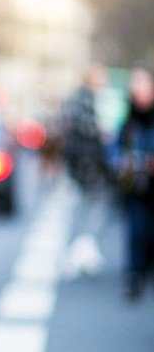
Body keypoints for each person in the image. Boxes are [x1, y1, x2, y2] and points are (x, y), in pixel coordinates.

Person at [60, 62, 112, 278]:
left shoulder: (77, 99)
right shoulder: (87, 100)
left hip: (80, 165)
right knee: (93, 208)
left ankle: (81, 249)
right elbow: (91, 132)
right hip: (89, 165)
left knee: (85, 208)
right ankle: (82, 250)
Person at [116, 66, 154, 299]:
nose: (137, 89)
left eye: (142, 83)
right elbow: (117, 149)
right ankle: (134, 275)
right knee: (136, 231)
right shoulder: (128, 118)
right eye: (134, 84)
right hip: (136, 189)